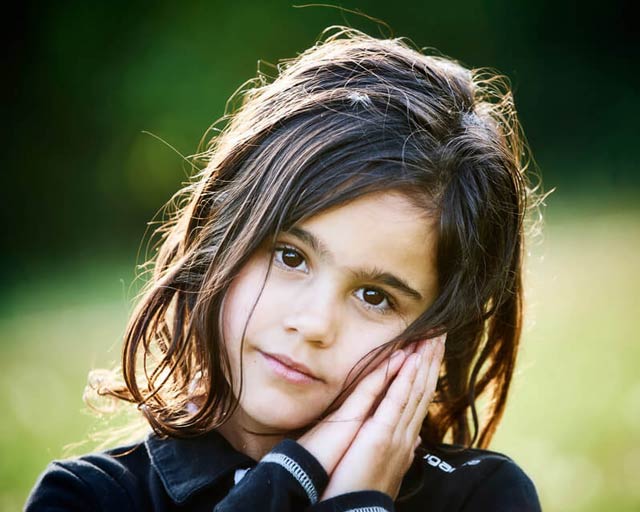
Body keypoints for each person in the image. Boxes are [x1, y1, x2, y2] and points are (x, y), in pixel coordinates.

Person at [26, 26, 542, 511]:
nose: (314, 324)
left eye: (375, 297)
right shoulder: (88, 496)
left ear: (435, 333)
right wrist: (300, 474)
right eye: (290, 257)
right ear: (218, 236)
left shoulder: (481, 495)